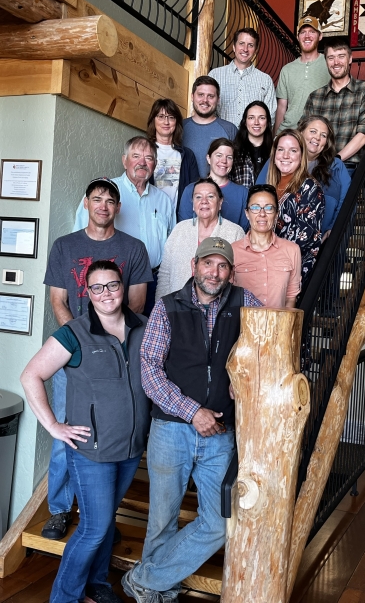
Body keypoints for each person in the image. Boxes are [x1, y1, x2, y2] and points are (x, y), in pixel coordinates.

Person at [121, 237, 261, 603]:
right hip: (171, 430)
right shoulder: (167, 307)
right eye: (208, 264)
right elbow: (149, 371)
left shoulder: (245, 302)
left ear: (231, 271)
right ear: (194, 265)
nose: (214, 272)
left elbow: (268, 347)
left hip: (220, 434)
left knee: (218, 524)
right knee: (162, 521)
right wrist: (191, 411)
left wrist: (243, 380)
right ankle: (154, 590)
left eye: (222, 266)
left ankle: (144, 579)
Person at [21, 260, 151, 603]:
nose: (106, 293)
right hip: (91, 451)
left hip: (131, 448)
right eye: (97, 287)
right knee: (94, 528)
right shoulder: (73, 333)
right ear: (87, 293)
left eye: (112, 285)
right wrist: (53, 426)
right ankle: (63, 597)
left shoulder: (145, 327)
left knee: (106, 524)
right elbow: (31, 375)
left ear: (123, 287)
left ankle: (96, 587)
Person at [42, 177, 152, 543]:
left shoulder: (134, 248)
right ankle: (59, 510)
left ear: (118, 208)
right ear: (86, 204)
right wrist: (78, 344)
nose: (103, 205)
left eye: (110, 200)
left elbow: (134, 304)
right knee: (66, 437)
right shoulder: (64, 246)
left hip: (117, 358)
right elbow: (59, 301)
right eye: (96, 199)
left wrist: (106, 340)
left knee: (114, 439)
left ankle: (100, 515)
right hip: (73, 356)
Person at [73, 136, 175, 316]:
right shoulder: (105, 193)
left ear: (155, 164)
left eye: (149, 158)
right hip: (111, 282)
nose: (142, 163)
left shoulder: (164, 201)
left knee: (142, 338)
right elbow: (80, 238)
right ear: (124, 160)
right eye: (136, 156)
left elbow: (172, 245)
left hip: (152, 282)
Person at [300, 38, 365, 177]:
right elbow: (302, 133)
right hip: (316, 165)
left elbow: (364, 134)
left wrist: (335, 160)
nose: (336, 62)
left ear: (350, 59)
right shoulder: (315, 96)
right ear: (326, 62)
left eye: (341, 56)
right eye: (331, 57)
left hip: (349, 166)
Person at [156, 178, 244, 299]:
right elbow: (165, 274)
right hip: (178, 307)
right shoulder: (179, 230)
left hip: (219, 308)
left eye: (210, 197)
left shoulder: (235, 232)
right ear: (193, 204)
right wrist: (162, 306)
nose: (204, 201)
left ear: (220, 203)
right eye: (198, 197)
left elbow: (238, 277)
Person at [266, 129, 325, 283]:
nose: (285, 156)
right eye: (281, 149)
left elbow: (304, 239)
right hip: (266, 268)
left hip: (290, 272)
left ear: (301, 155)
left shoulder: (310, 187)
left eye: (293, 151)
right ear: (274, 154)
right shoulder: (270, 186)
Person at [232, 184, 301, 308]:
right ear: (247, 213)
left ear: (276, 214)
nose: (262, 214)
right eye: (255, 207)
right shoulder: (232, 251)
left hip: (278, 325)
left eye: (269, 208)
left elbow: (291, 298)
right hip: (242, 326)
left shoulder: (292, 250)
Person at [208, 27, 277, 128]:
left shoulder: (265, 80)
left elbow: (270, 116)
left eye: (250, 45)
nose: (245, 49)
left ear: (255, 50)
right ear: (234, 47)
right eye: (241, 43)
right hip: (222, 139)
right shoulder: (215, 75)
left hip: (251, 141)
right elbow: (207, 108)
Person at [297, 116, 351, 240]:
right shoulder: (284, 159)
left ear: (326, 142)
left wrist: (333, 228)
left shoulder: (336, 166)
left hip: (324, 240)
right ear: (301, 132)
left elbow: (346, 200)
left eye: (323, 135)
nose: (317, 137)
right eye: (313, 131)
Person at [274, 16, 330, 135]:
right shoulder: (287, 69)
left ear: (320, 36)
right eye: (303, 32)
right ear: (298, 37)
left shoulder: (329, 64)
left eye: (312, 32)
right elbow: (282, 106)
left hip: (316, 134)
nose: (307, 36)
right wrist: (276, 136)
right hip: (289, 132)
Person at [178, 138, 249, 232]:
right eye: (219, 155)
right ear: (208, 158)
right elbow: (184, 227)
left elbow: (244, 231)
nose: (224, 161)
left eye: (229, 157)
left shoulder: (243, 193)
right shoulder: (190, 190)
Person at [146, 98, 200, 212]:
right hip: (151, 215)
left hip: (178, 219)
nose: (166, 122)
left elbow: (195, 191)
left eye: (171, 117)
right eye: (161, 117)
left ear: (176, 122)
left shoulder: (187, 155)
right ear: (153, 120)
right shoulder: (145, 151)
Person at [182, 76, 238, 178]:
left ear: (218, 100)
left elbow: (237, 169)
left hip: (220, 192)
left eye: (211, 96)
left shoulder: (230, 129)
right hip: (185, 191)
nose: (205, 100)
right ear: (192, 96)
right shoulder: (180, 127)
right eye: (201, 95)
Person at [231, 101, 273, 189]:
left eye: (261, 118)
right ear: (245, 122)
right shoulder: (233, 151)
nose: (256, 122)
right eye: (251, 118)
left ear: (268, 121)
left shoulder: (276, 151)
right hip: (241, 202)